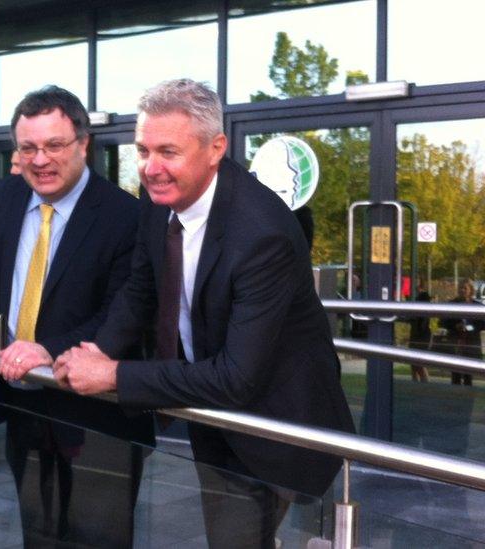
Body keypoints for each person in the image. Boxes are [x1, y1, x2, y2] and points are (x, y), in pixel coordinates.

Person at [53, 79, 355, 548]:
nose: (151, 168)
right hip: (209, 409)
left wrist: (114, 373)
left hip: (274, 427)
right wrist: (96, 348)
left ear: (216, 148)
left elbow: (238, 377)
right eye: (143, 150)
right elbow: (141, 289)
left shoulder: (262, 232)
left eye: (168, 152)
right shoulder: (159, 202)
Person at [0, 85, 152, 547]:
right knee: (38, 535)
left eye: (54, 146)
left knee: (98, 539)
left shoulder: (127, 215)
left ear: (82, 144)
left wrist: (47, 349)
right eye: (28, 147)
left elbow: (122, 312)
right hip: (24, 406)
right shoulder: (5, 199)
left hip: (98, 417)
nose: (40, 160)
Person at [441, 279, 484, 386]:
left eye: (465, 288)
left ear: (471, 290)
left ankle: (467, 396)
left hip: (470, 342)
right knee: (455, 372)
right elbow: (443, 321)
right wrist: (455, 326)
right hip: (455, 341)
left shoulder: (477, 306)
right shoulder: (451, 304)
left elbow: (483, 324)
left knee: (468, 373)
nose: (462, 290)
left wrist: (471, 327)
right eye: (461, 288)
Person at [409, 279, 431, 382]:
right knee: (413, 364)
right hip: (415, 332)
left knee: (419, 363)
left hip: (421, 334)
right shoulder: (413, 296)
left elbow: (423, 316)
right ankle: (416, 384)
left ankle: (425, 385)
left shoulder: (424, 296)